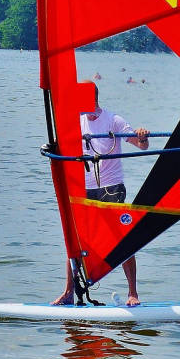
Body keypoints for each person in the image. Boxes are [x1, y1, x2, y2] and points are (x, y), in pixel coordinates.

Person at [52, 82, 149, 307]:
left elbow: (141, 145)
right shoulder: (76, 123)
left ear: (93, 99)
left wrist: (142, 136)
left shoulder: (114, 120)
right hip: (84, 189)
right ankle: (68, 292)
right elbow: (63, 150)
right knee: (75, 241)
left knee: (122, 240)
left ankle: (132, 293)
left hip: (112, 188)